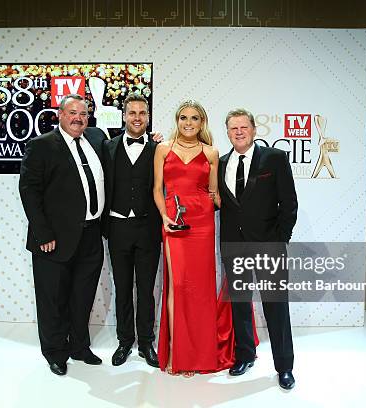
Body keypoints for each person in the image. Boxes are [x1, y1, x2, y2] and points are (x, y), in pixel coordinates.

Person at [19, 94, 107, 376]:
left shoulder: (95, 138)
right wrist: (43, 233)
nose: (78, 118)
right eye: (72, 113)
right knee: (52, 298)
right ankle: (55, 352)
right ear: (60, 115)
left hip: (91, 235)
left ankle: (80, 347)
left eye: (83, 113)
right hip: (53, 239)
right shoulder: (41, 146)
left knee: (82, 296)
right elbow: (29, 192)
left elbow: (119, 151)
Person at [153, 100, 234, 377]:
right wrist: (165, 217)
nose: (189, 123)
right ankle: (177, 352)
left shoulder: (211, 152)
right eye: (184, 118)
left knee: (199, 289)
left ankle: (197, 355)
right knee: (177, 286)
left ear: (202, 123)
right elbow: (156, 189)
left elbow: (213, 194)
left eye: (195, 118)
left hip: (202, 223)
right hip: (174, 222)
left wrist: (241, 208)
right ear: (177, 120)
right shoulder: (163, 149)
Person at [218, 108, 298, 389]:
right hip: (233, 245)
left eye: (243, 127)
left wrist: (280, 240)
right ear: (227, 132)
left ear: (253, 129)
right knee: (239, 304)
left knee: (276, 307)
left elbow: (288, 204)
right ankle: (244, 355)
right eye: (233, 128)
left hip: (268, 246)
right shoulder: (222, 162)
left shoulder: (274, 158)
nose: (238, 132)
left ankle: (284, 366)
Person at [102, 94, 161, 368]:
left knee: (146, 288)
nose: (137, 117)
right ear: (124, 116)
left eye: (142, 113)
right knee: (122, 288)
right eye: (132, 112)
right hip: (118, 226)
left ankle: (147, 342)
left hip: (148, 227)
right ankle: (124, 340)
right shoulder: (107, 147)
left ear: (148, 117)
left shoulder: (160, 148)